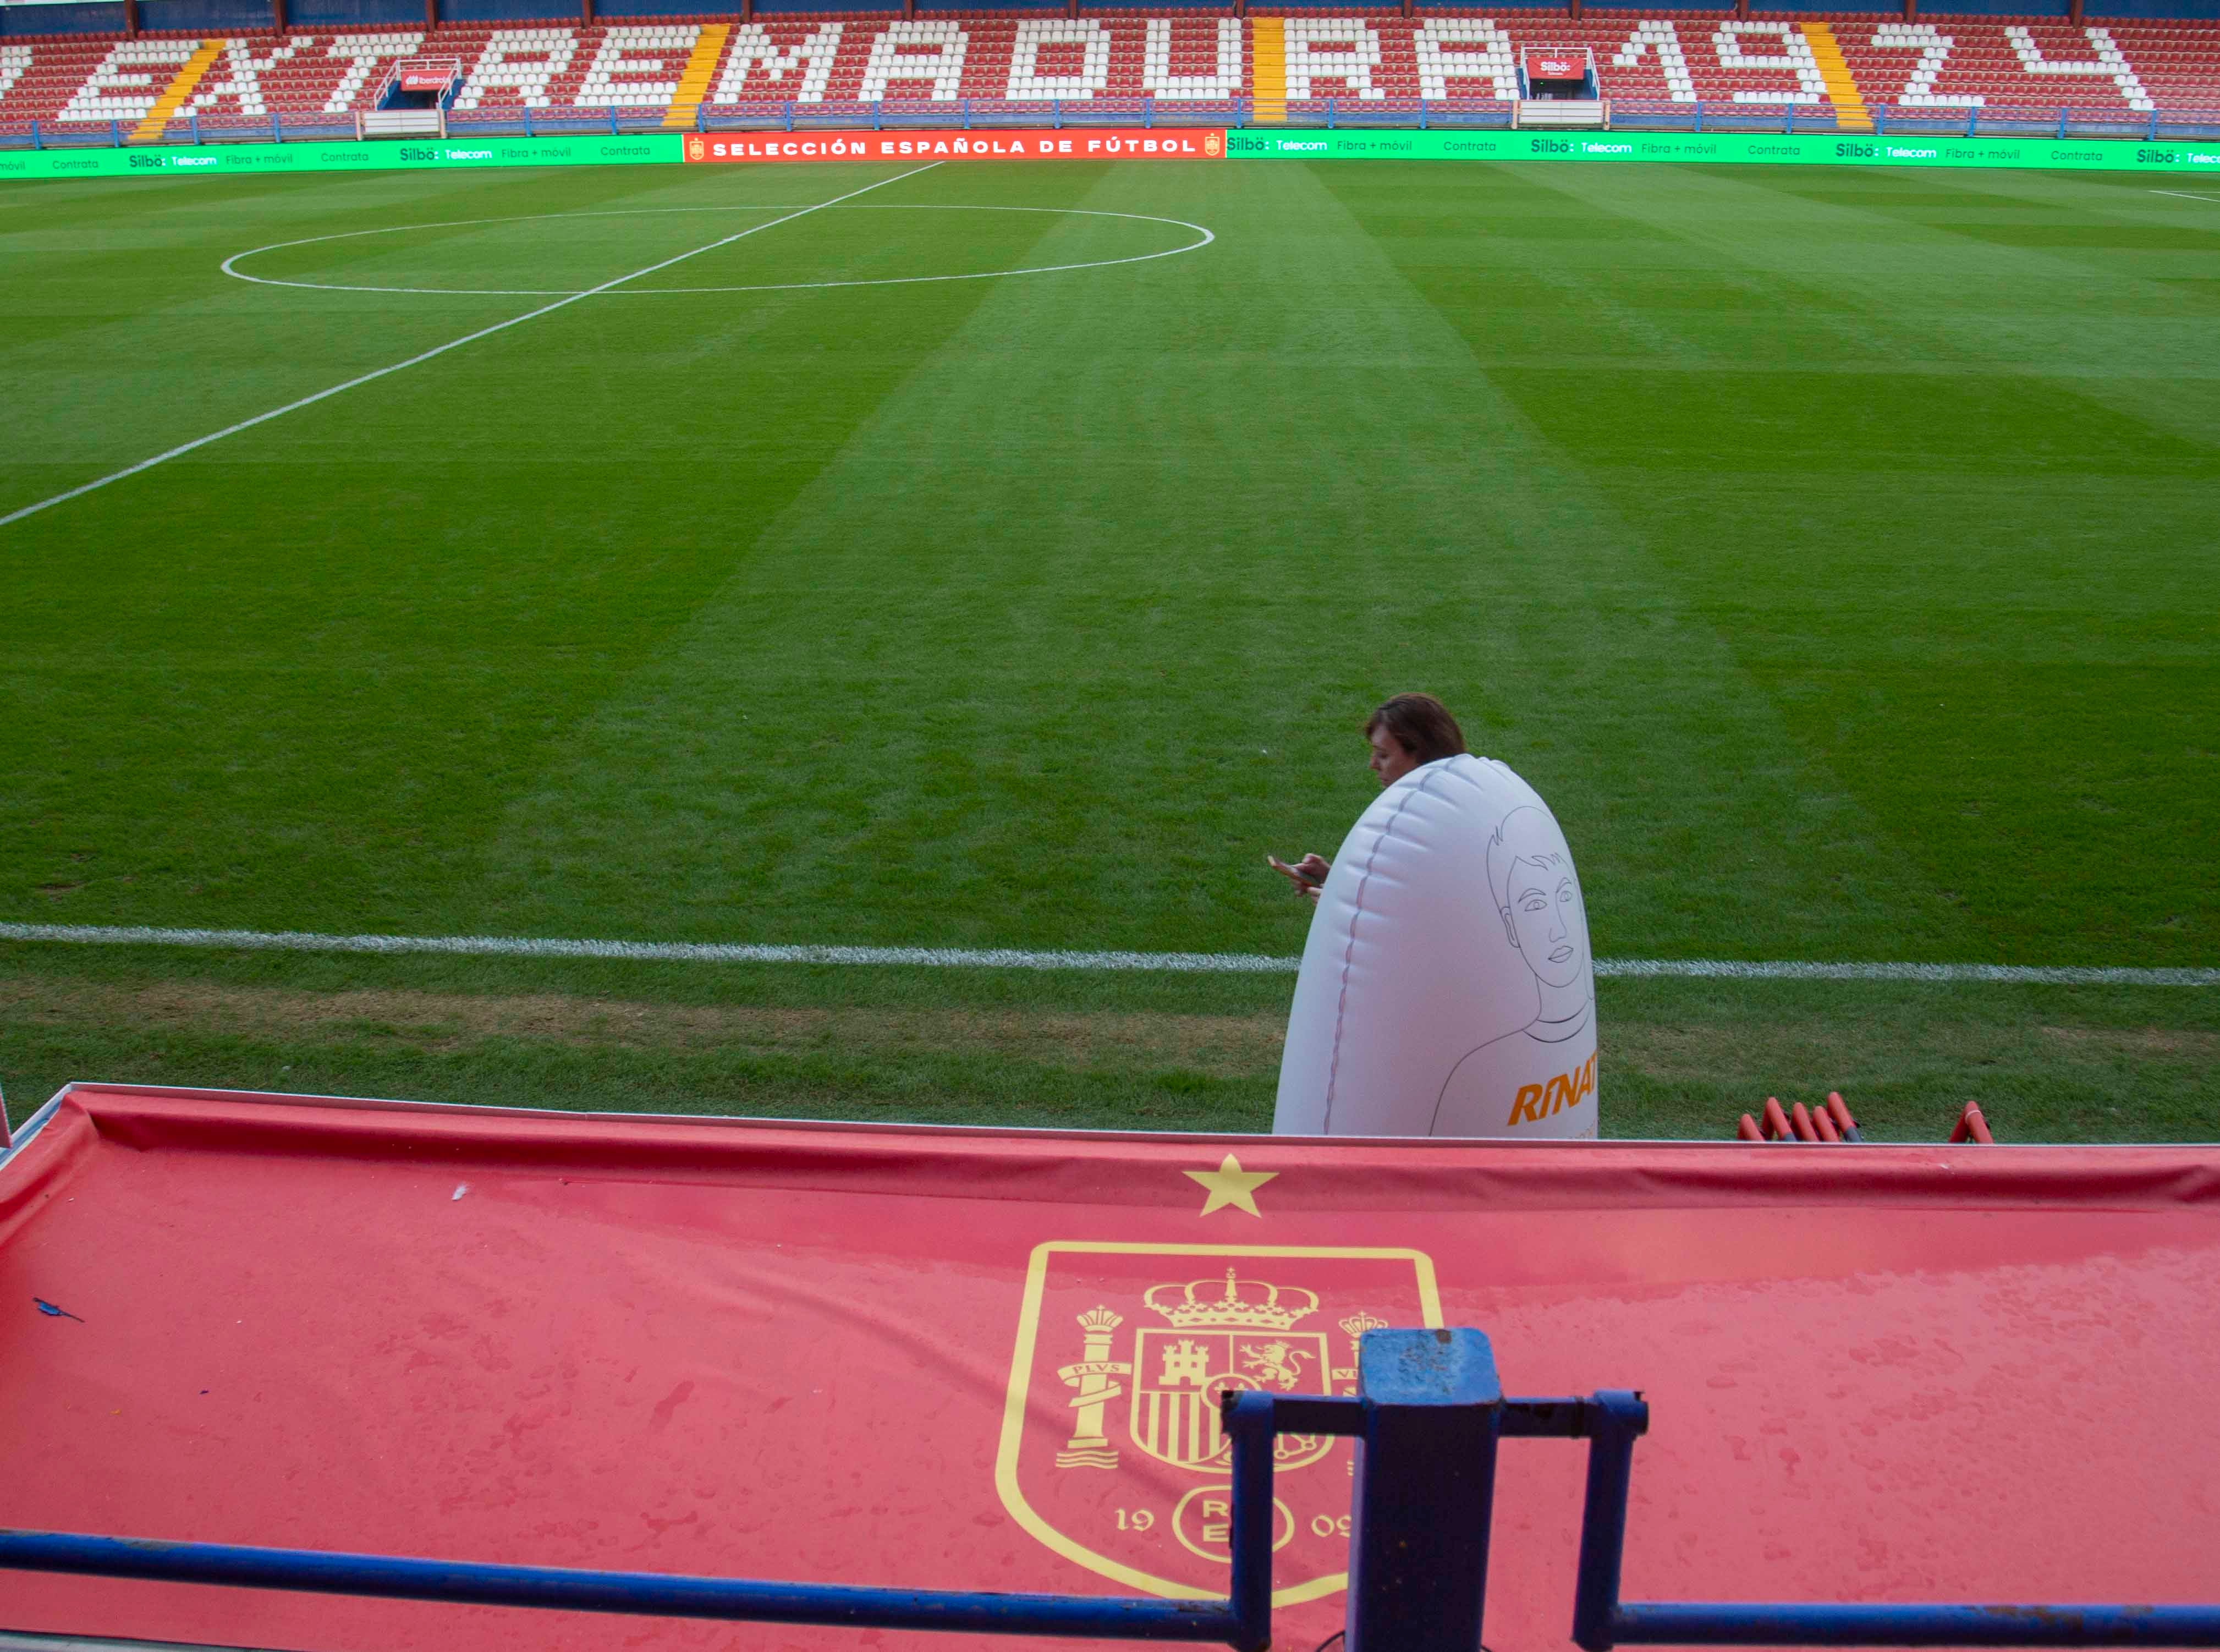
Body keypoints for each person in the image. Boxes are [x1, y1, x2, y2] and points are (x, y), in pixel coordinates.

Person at [1267, 693, 1467, 902]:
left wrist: (1339, 903)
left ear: (1422, 755)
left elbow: (1412, 913)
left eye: (1383, 755)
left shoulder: (1421, 828)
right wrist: (1333, 879)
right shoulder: (1455, 804)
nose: (1372, 764)